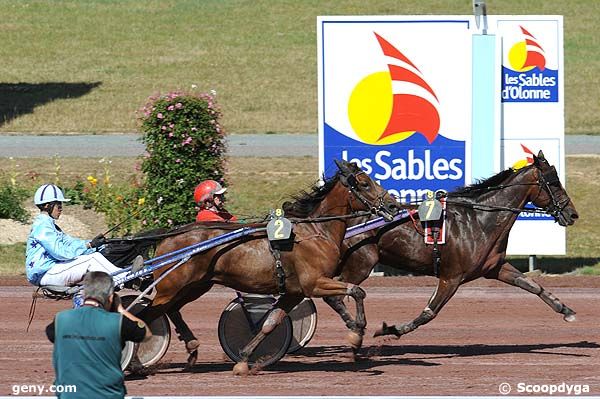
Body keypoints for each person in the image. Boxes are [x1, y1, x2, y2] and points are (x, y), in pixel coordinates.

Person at [46, 271, 151, 399]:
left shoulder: (60, 320)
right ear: (111, 298)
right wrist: (121, 310)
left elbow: (52, 335)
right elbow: (147, 334)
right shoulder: (119, 322)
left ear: (84, 294)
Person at [25, 183, 142, 287]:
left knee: (94, 255)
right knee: (92, 259)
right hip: (45, 273)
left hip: (52, 270)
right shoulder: (42, 226)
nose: (61, 208)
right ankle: (127, 278)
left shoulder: (50, 225)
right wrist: (89, 245)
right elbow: (61, 253)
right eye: (58, 205)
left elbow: (70, 242)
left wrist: (97, 244)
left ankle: (124, 277)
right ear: (47, 206)